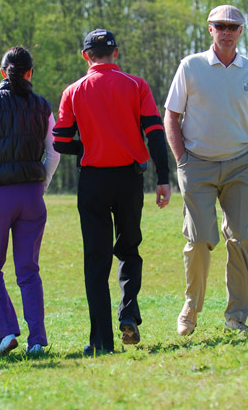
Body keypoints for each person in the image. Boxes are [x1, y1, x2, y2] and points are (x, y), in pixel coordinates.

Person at [53, 28, 171, 356]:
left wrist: (88, 144)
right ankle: (129, 312)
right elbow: (155, 133)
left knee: (96, 260)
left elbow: (60, 141)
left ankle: (102, 342)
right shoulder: (136, 85)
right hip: (129, 179)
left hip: (92, 181)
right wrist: (164, 176)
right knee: (129, 248)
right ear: (116, 53)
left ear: (85, 56)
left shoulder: (73, 91)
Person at [164, 5, 248, 336]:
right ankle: (191, 306)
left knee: (240, 238)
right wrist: (182, 159)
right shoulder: (191, 66)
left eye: (233, 26)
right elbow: (171, 115)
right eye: (220, 26)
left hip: (240, 164)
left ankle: (237, 317)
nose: (227, 31)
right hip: (196, 164)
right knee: (200, 240)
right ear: (210, 29)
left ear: (241, 31)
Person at [0, 46, 60, 358]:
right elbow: (55, 151)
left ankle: (7, 331)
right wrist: (42, 183)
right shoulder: (43, 105)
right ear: (30, 73)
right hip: (31, 195)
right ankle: (36, 339)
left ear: (2, 72)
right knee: (28, 270)